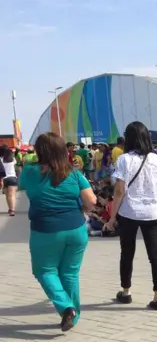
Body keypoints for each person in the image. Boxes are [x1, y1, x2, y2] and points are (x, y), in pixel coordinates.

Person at [20, 132, 96, 331]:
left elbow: (22, 187)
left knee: (44, 270)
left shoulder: (29, 171)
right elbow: (92, 200)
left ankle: (66, 308)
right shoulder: (73, 172)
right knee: (70, 273)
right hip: (76, 229)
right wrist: (83, 211)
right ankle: (73, 316)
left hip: (45, 231)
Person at [103, 121, 157, 311]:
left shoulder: (124, 159)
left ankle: (126, 292)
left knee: (127, 253)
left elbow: (120, 191)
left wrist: (112, 217)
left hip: (129, 212)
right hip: (152, 213)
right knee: (155, 255)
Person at [1, 147, 18, 216]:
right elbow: (15, 166)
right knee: (12, 195)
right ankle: (12, 209)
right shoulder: (12, 159)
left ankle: (10, 209)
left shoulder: (0, 159)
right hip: (12, 178)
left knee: (7, 195)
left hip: (4, 178)